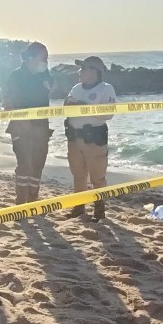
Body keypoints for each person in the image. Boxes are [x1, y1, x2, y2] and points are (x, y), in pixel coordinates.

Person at [64, 56, 117, 222]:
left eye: (85, 68)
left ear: (95, 71)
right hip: (74, 138)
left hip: (94, 139)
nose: (80, 72)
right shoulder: (76, 88)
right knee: (78, 175)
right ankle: (79, 207)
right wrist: (74, 105)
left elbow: (107, 114)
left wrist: (82, 106)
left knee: (97, 177)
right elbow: (67, 108)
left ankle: (99, 210)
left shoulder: (106, 89)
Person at [3, 41, 53, 204]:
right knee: (24, 165)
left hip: (41, 127)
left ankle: (33, 199)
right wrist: (20, 118)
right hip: (21, 128)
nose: (45, 61)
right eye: (43, 57)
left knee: (38, 166)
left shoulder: (45, 75)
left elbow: (52, 89)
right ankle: (21, 201)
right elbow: (7, 103)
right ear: (30, 58)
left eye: (47, 58)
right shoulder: (16, 76)